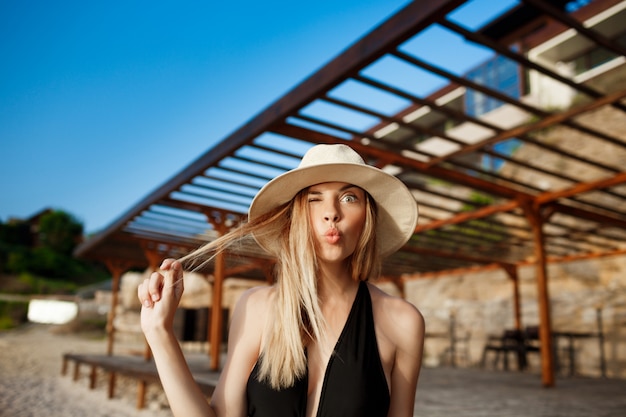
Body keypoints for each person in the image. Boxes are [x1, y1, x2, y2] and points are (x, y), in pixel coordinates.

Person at [138, 143, 425, 417]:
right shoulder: (256, 307)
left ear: (368, 217)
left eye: (349, 198)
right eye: (314, 200)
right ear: (298, 216)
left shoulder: (402, 321)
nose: (331, 213)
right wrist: (159, 332)